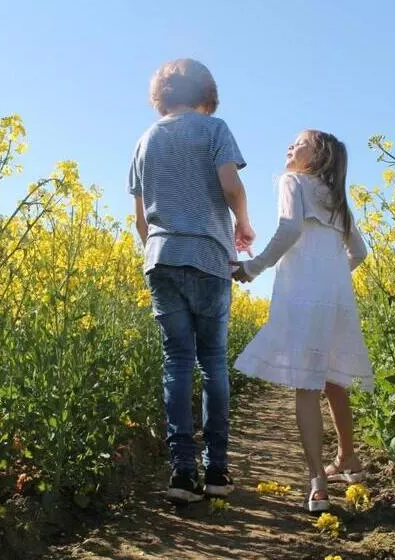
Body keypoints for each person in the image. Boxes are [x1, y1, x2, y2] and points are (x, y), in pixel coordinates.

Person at [129, 58, 255, 505]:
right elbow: (231, 186)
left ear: (161, 94)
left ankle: (181, 474)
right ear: (205, 94)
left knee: (177, 363)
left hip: (161, 258)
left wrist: (159, 249)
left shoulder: (144, 140)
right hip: (206, 256)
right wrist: (243, 224)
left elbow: (142, 219)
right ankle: (217, 470)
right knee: (213, 362)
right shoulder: (213, 129)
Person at [232, 130, 372, 512]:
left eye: (300, 141)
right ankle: (349, 459)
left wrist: (254, 267)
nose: (290, 145)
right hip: (336, 296)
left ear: (319, 154)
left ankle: (318, 485)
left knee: (306, 387)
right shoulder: (337, 198)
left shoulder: (292, 180)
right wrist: (333, 277)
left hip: (303, 295)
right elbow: (359, 251)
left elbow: (290, 228)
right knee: (333, 381)